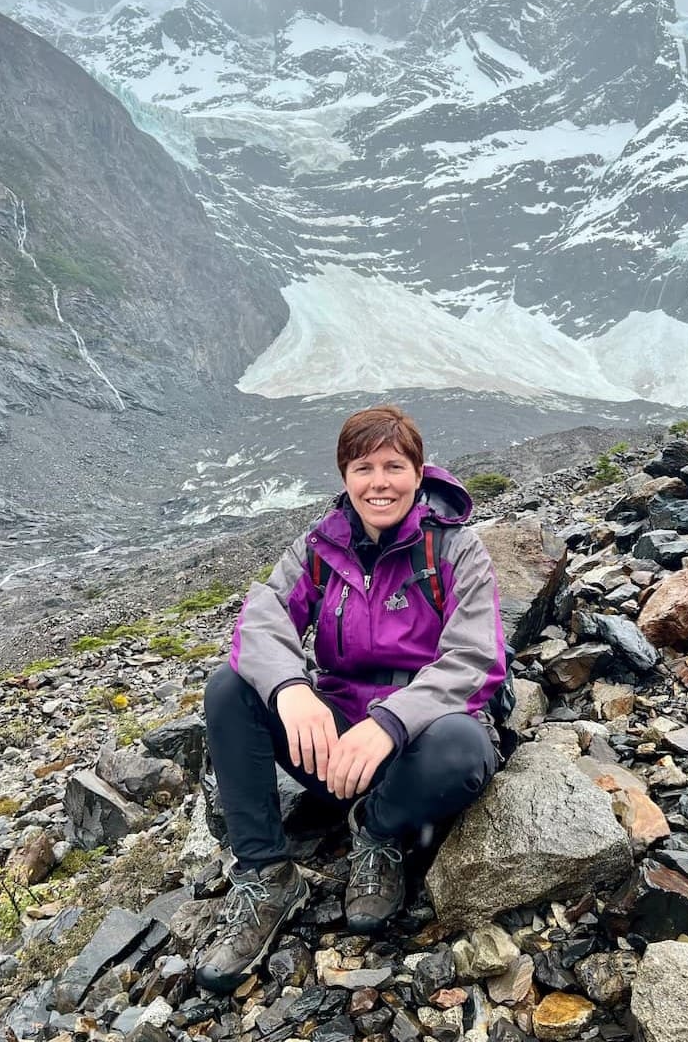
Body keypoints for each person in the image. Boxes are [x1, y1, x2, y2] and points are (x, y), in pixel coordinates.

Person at [196, 405, 506, 994]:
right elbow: (261, 622)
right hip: (336, 745)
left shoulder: (455, 550)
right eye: (363, 467)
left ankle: (378, 830)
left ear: (419, 473)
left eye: (394, 466)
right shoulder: (320, 547)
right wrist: (291, 689)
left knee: (462, 750)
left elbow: (476, 658)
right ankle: (266, 873)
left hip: (418, 740)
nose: (379, 482)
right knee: (231, 687)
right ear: (345, 477)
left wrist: (391, 721)